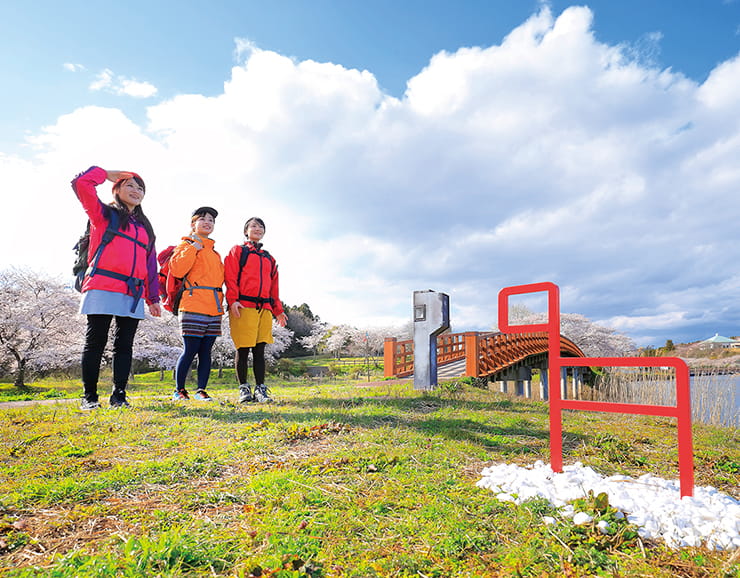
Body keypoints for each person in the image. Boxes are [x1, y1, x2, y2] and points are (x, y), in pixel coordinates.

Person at [71, 166, 161, 410]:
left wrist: (153, 297)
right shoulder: (103, 214)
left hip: (132, 292)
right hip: (102, 283)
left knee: (124, 344)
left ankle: (119, 395)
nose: (136, 190)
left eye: (140, 187)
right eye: (129, 185)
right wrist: (106, 173)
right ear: (117, 189)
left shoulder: (145, 227)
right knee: (96, 341)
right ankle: (89, 397)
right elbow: (81, 184)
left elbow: (150, 264)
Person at [224, 217, 287, 403]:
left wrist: (278, 310)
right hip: (244, 306)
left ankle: (261, 389)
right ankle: (244, 389)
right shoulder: (238, 251)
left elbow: (274, 286)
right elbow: (230, 277)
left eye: (261, 226)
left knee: (260, 350)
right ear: (246, 231)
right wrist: (233, 300)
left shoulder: (269, 258)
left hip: (265, 309)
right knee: (243, 349)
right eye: (253, 226)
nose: (257, 228)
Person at [169, 207, 225, 401]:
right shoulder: (186, 245)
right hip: (193, 304)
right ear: (193, 224)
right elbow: (176, 270)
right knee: (190, 349)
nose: (208, 222)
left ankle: (201, 390)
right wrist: (194, 247)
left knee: (206, 352)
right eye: (203, 219)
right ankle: (179, 390)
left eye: (211, 220)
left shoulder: (215, 253)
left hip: (214, 307)